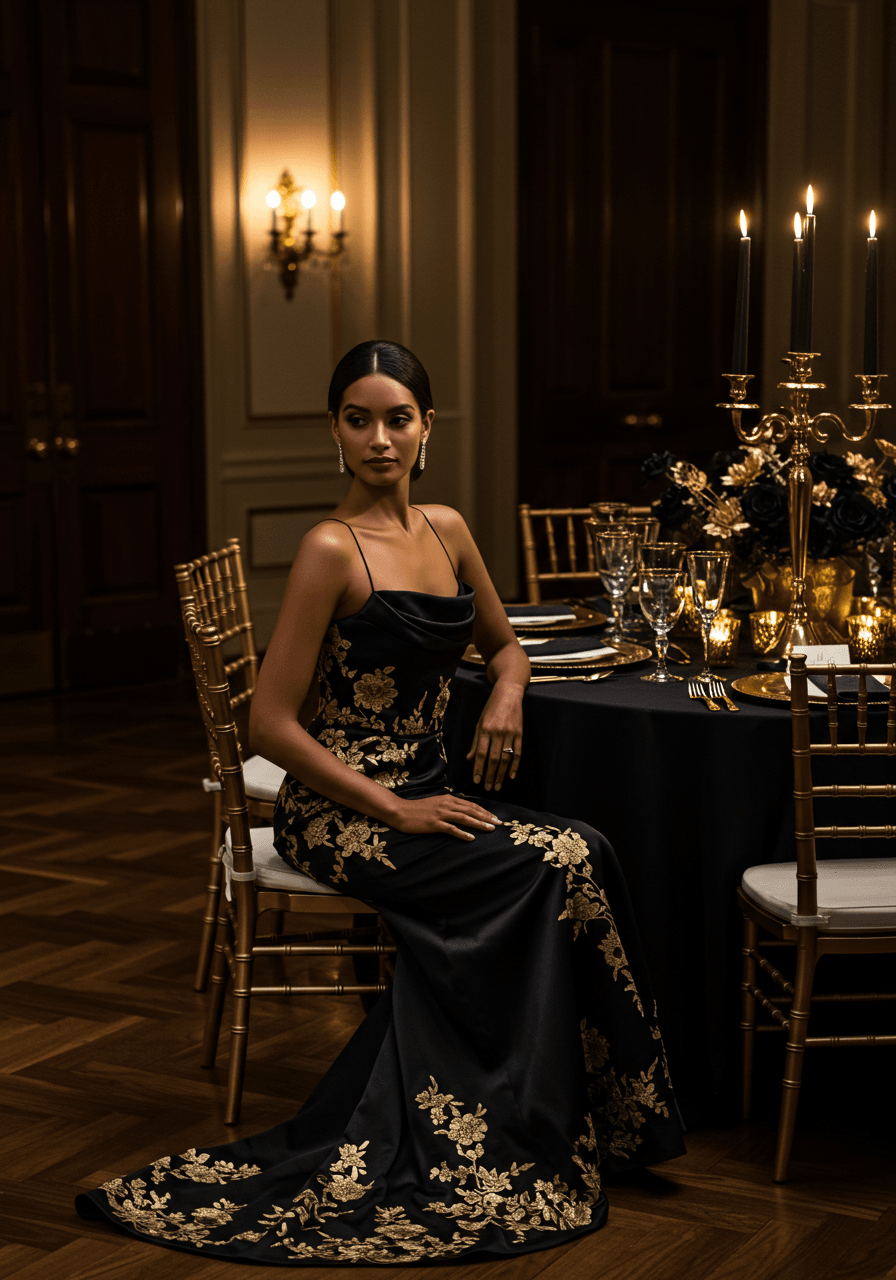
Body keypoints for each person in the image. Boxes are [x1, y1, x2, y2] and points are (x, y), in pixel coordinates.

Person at [76, 340, 685, 1264]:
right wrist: (393, 810)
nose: (378, 437)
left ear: (426, 428)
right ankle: (505, 1119)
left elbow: (504, 648)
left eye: (397, 418)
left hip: (423, 791)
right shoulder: (331, 547)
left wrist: (511, 690)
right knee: (551, 863)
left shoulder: (445, 529)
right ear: (335, 431)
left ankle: (611, 1117)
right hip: (340, 809)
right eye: (357, 419)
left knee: (586, 850)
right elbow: (271, 726)